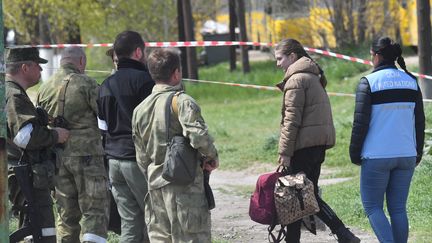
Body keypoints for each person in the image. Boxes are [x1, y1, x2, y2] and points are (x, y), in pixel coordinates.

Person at [274, 38, 360, 243]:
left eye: (280, 58)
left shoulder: (296, 80)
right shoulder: (313, 77)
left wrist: (285, 152)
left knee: (300, 196)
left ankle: (343, 233)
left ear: (292, 56)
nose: (278, 64)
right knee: (299, 196)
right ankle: (337, 235)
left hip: (302, 149)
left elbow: (291, 120)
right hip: (316, 147)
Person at [132, 48, 219, 242]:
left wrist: (153, 172)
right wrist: (211, 156)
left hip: (155, 186)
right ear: (177, 72)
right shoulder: (182, 102)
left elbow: (140, 154)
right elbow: (198, 137)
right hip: (185, 188)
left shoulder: (140, 109)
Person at [350, 37, 425, 243]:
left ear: (377, 56)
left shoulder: (369, 83)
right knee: (398, 208)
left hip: (377, 156)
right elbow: (419, 122)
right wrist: (417, 152)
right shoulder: (411, 82)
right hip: (407, 154)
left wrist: (354, 153)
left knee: (373, 207)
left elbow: (360, 124)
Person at [37, 47, 109, 243]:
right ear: (82, 62)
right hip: (88, 157)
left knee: (66, 213)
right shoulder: (86, 83)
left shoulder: (45, 87)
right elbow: (103, 114)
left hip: (58, 158)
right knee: (95, 208)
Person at [6, 47, 70, 243]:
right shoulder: (14, 95)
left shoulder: (10, 92)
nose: (41, 71)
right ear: (25, 67)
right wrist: (55, 135)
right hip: (26, 175)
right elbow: (24, 138)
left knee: (34, 232)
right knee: (44, 233)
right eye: (38, 66)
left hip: (23, 173)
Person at [97, 30, 154, 243]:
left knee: (129, 222)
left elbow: (101, 127)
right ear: (138, 52)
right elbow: (153, 125)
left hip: (114, 162)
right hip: (137, 161)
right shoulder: (146, 82)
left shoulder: (105, 85)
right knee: (154, 217)